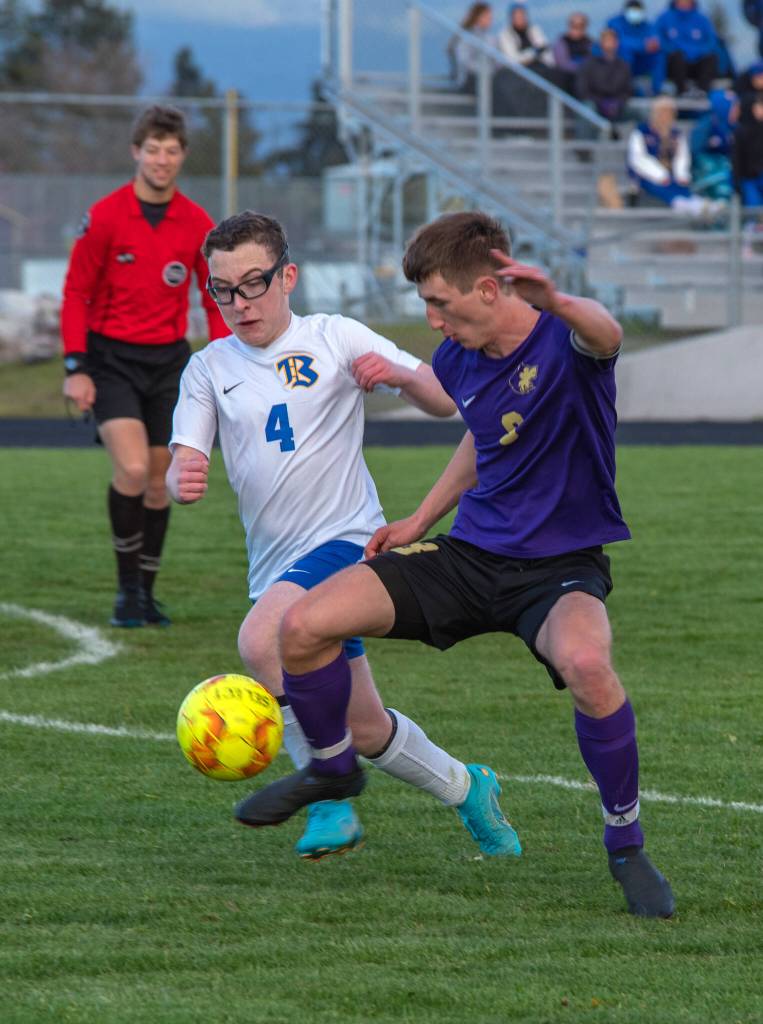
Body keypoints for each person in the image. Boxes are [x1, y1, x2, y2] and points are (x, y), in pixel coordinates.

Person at [235, 210, 676, 920]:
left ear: (489, 289)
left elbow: (607, 335)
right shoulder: (458, 359)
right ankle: (335, 771)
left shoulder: (563, 340)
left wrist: (559, 300)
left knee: (588, 666)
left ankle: (625, 845)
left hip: (558, 569)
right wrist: (420, 519)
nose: (433, 321)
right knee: (302, 626)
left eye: (440, 302)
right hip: (469, 556)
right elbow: (482, 435)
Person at [166, 210, 522, 863]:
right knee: (364, 728)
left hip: (350, 540)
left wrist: (401, 376)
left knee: (261, 638)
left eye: (254, 283)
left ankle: (328, 800)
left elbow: (443, 399)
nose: (240, 303)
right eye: (222, 290)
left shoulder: (334, 336)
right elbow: (183, 452)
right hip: (275, 568)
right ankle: (469, 788)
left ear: (288, 277)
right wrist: (179, 475)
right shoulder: (208, 368)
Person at [61, 105, 228, 629]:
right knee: (132, 469)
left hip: (168, 363)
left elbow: (213, 296)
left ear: (182, 156)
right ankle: (126, 591)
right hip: (111, 360)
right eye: (152, 149)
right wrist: (76, 366)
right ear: (136, 152)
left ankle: (145, 597)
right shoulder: (106, 216)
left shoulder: (196, 222)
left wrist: (227, 359)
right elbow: (76, 292)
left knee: (161, 482)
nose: (161, 159)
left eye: (171, 151)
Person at [626, 95, 721, 214]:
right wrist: (660, 175)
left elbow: (682, 157)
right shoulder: (641, 132)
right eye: (663, 113)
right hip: (647, 174)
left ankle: (696, 203)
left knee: (679, 182)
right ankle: (682, 203)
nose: (666, 117)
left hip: (671, 174)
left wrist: (681, 175)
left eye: (669, 113)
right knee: (661, 183)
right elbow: (638, 159)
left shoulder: (676, 134)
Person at [655, 0, 719, 97]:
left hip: (697, 62)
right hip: (676, 64)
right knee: (677, 56)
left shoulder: (702, 19)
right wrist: (674, 49)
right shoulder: (664, 18)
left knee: (711, 57)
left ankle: (703, 91)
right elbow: (658, 39)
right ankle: (682, 91)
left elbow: (712, 41)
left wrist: (697, 52)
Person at [576, 28, 633, 132]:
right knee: (588, 108)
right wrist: (600, 102)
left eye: (612, 40)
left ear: (617, 43)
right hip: (595, 103)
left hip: (618, 105)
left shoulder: (623, 65)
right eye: (607, 40)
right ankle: (585, 142)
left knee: (640, 112)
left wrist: (618, 102)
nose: (609, 43)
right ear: (601, 43)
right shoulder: (589, 64)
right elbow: (582, 90)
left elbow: (628, 90)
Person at [607, 0, 666, 96]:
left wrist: (654, 44)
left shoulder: (646, 25)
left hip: (639, 62)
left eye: (638, 11)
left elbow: (655, 40)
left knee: (658, 55)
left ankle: (657, 90)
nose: (635, 14)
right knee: (626, 52)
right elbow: (618, 42)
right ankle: (626, 87)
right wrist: (642, 45)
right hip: (618, 63)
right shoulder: (614, 23)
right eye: (633, 11)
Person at [690, 88, 738, 200]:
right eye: (733, 107)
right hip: (709, 169)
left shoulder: (736, 127)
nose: (736, 111)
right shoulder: (706, 125)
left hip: (729, 167)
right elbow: (696, 152)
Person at [732, 92, 763, 208]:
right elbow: (737, 158)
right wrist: (737, 181)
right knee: (753, 208)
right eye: (758, 106)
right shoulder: (741, 132)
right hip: (748, 178)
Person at [552, 12, 594, 95]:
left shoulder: (590, 43)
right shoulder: (562, 42)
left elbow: (593, 63)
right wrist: (580, 68)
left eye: (581, 25)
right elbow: (563, 63)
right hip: (567, 82)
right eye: (574, 25)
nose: (577, 28)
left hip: (586, 82)